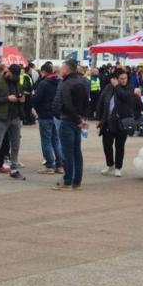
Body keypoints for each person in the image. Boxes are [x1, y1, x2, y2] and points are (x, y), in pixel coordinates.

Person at [52, 59, 89, 191]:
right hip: (78, 120)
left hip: (68, 120)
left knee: (68, 153)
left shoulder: (66, 83)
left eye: (62, 68)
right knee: (76, 152)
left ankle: (67, 181)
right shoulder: (83, 81)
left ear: (67, 70)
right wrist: (83, 119)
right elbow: (86, 102)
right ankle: (77, 181)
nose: (60, 71)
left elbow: (67, 105)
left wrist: (78, 120)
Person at [0, 64, 26, 181]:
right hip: (1, 117)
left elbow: (21, 96)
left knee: (16, 144)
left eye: (16, 76)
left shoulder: (17, 81)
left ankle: (14, 169)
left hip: (15, 117)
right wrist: (7, 99)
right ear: (7, 71)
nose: (14, 77)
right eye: (12, 75)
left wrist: (21, 99)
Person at [95, 70, 137, 177]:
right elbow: (102, 101)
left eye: (125, 78)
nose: (124, 80)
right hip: (108, 121)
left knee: (120, 146)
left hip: (122, 122)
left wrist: (117, 86)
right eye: (121, 78)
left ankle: (118, 168)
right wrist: (99, 118)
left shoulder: (129, 87)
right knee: (107, 145)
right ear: (116, 79)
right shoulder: (108, 88)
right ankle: (110, 165)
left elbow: (125, 96)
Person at [32, 62, 63, 175]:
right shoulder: (60, 82)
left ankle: (50, 165)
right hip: (56, 115)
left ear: (44, 72)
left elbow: (36, 99)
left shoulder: (43, 84)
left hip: (45, 115)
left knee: (46, 141)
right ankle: (59, 165)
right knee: (56, 140)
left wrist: (33, 103)